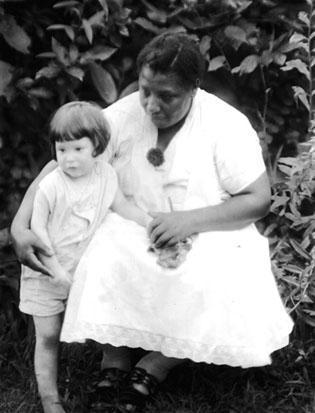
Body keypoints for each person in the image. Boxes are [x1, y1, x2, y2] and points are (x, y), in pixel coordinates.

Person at [11, 33, 294, 412]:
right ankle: (115, 360)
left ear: (194, 88)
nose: (152, 105)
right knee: (106, 246)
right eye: (146, 90)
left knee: (221, 269)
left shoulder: (225, 124)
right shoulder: (120, 117)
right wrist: (19, 227)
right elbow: (60, 166)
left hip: (208, 227)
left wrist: (187, 221)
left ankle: (154, 364)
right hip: (131, 221)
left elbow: (257, 199)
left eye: (167, 96)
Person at [18, 101, 151, 413]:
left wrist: (149, 221)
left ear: (97, 147)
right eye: (62, 150)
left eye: (78, 149)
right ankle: (51, 400)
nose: (69, 158)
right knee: (49, 335)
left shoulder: (105, 175)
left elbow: (122, 206)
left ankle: (114, 362)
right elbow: (38, 233)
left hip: (81, 268)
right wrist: (57, 272)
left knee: (97, 315)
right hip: (46, 270)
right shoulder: (52, 184)